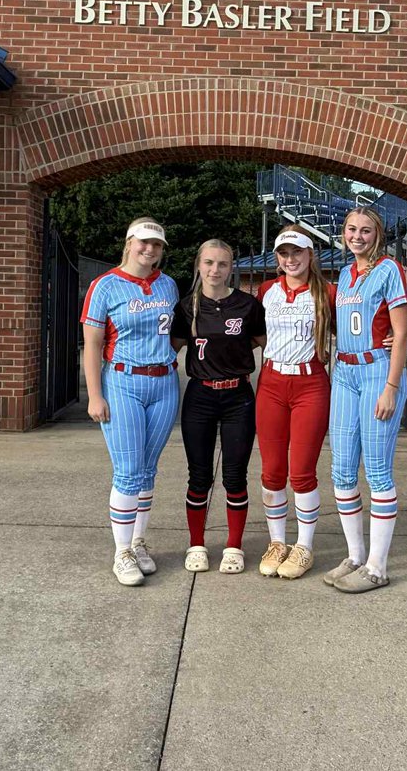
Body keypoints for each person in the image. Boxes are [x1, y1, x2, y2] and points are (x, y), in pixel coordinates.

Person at [80, 217, 180, 587]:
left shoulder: (167, 284)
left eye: (156, 245)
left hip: (165, 382)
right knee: (127, 470)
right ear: (129, 243)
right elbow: (91, 344)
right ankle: (121, 552)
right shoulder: (104, 286)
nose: (149, 249)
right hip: (123, 381)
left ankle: (137, 542)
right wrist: (94, 395)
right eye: (143, 242)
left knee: (148, 469)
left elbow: (175, 334)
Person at [326, 207, 407, 593]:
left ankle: (378, 566)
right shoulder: (345, 273)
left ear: (378, 234)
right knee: (342, 469)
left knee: (377, 470)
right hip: (345, 372)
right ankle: (356, 555)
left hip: (377, 370)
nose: (357, 236)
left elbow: (402, 332)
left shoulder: (390, 269)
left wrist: (392, 386)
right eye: (351, 229)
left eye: (365, 230)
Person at [170, 240, 266, 574]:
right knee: (198, 477)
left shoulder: (248, 306)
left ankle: (234, 546)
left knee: (235, 476)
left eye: (222, 264)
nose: (215, 270)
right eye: (209, 263)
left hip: (238, 397)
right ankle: (196, 544)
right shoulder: (185, 308)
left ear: (231, 268)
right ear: (198, 265)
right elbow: (170, 346)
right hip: (200, 397)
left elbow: (267, 341)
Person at [255, 226, 335, 580]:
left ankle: (303, 545)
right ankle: (277, 542)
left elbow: (356, 325)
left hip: (310, 384)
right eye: (284, 254)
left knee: (301, 471)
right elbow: (251, 332)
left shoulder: (326, 292)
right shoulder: (266, 291)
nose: (291, 259)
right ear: (277, 258)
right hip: (272, 382)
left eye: (297, 252)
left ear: (310, 254)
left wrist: (387, 335)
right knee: (272, 471)